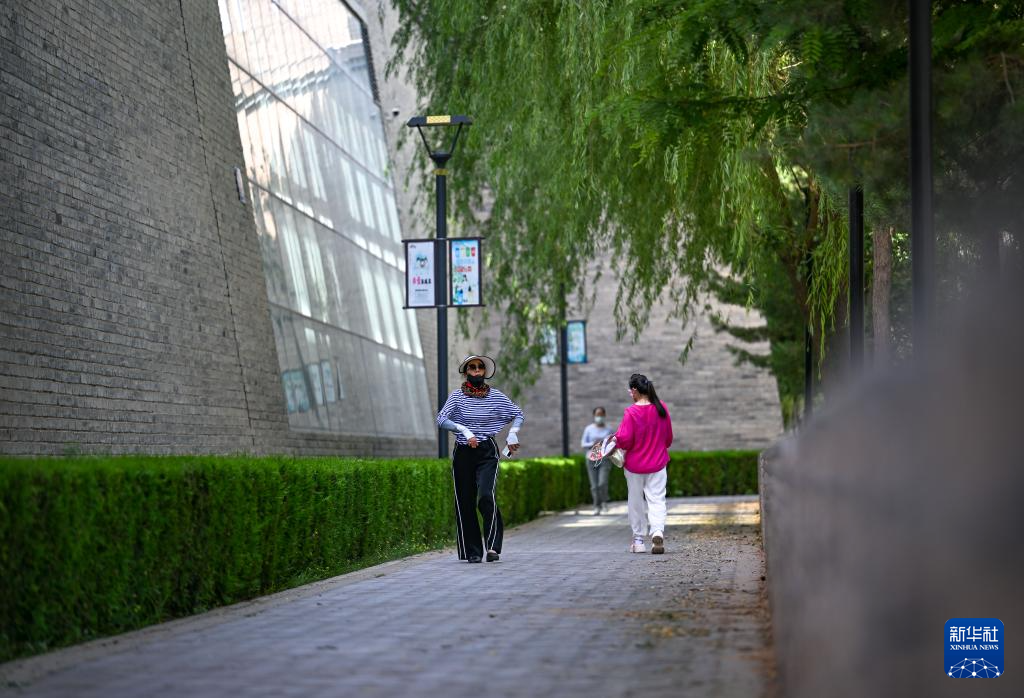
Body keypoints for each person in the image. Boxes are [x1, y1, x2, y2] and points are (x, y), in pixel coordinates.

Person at [436, 354, 525, 563]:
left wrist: (513, 434)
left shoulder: (496, 396)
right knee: (465, 501)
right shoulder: (457, 397)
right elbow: (441, 419)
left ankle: (493, 546)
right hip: (463, 451)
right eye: (472, 367)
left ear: (485, 371)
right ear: (466, 371)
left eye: (480, 367)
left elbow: (517, 413)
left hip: (486, 451)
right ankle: (473, 551)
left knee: (486, 495)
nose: (476, 370)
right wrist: (464, 430)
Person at [613, 373, 673, 554]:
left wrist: (615, 440)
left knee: (636, 501)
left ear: (635, 390)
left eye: (630, 391)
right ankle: (658, 532)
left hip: (635, 465)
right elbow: (668, 438)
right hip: (658, 463)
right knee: (657, 499)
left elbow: (625, 440)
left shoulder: (631, 412)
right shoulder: (661, 407)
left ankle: (638, 541)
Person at [580, 406, 614, 514]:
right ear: (594, 416)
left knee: (602, 483)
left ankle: (604, 502)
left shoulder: (609, 429)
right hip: (591, 459)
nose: (599, 417)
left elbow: (613, 444)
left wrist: (605, 444)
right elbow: (583, 443)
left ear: (604, 415)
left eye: (601, 415)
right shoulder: (589, 429)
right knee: (594, 486)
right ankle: (596, 506)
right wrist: (592, 443)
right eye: (597, 415)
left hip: (604, 459)